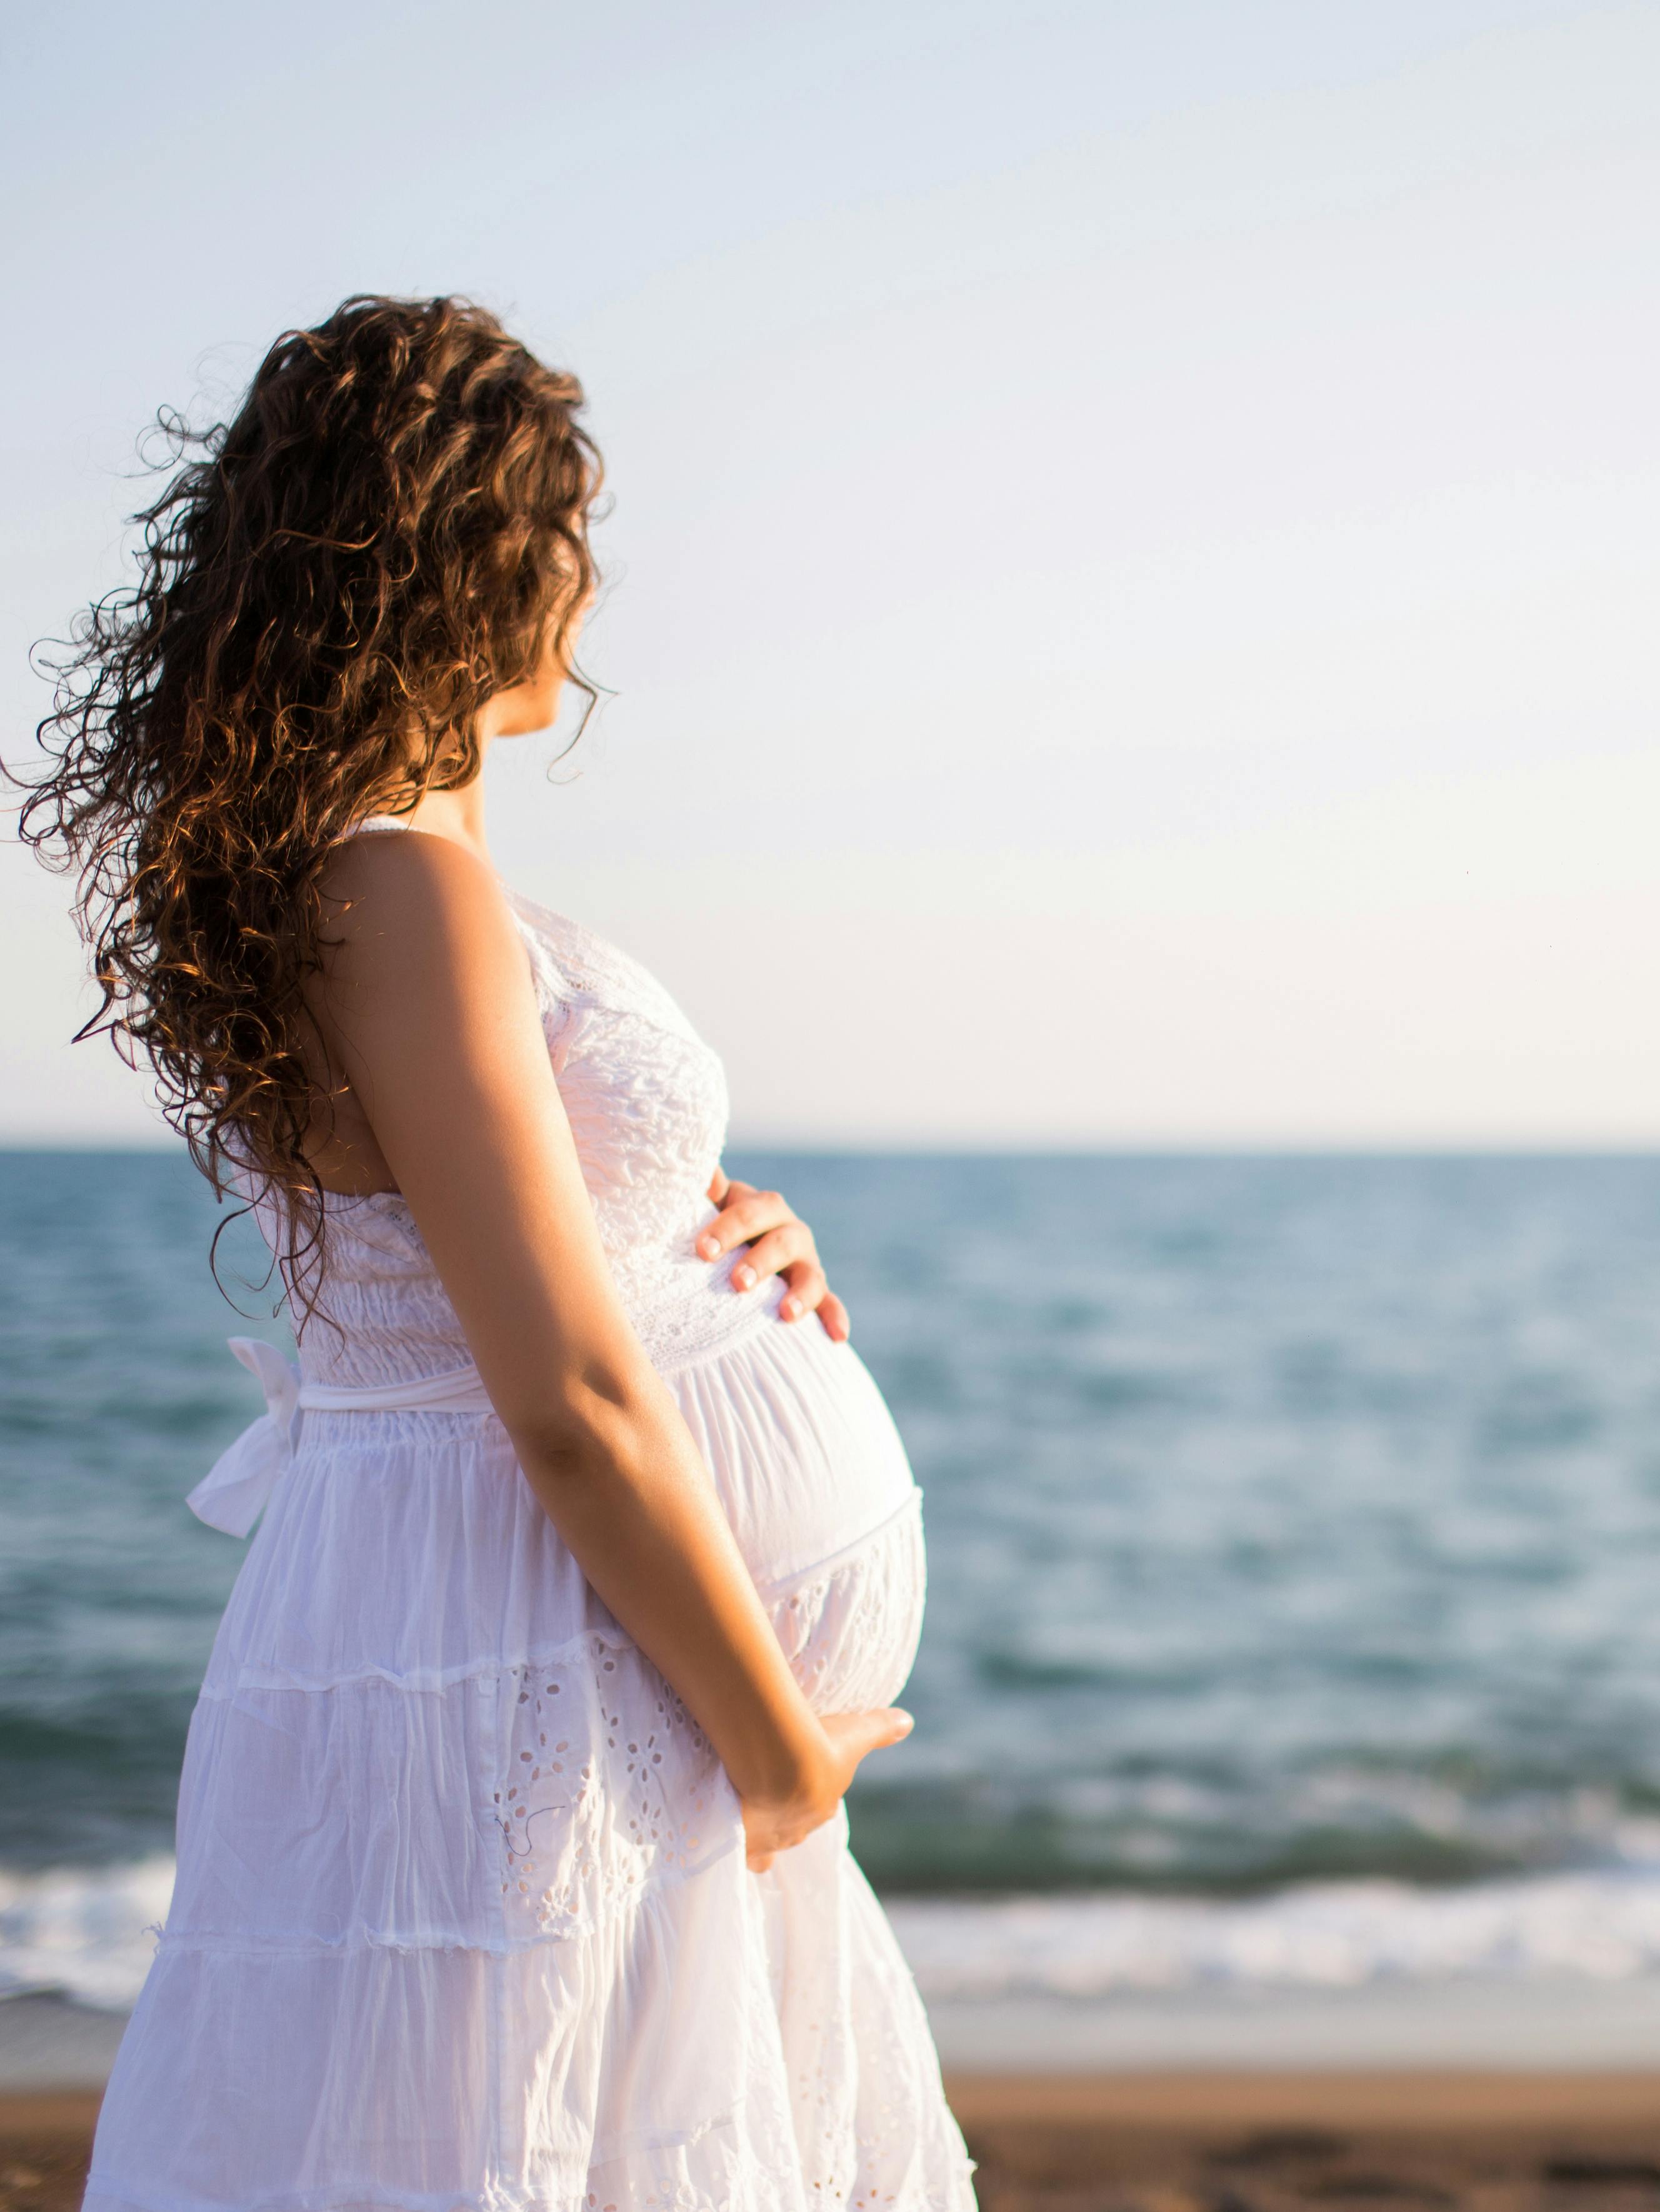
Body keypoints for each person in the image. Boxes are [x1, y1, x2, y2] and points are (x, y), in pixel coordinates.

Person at [16, 296, 977, 2212]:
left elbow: (489, 1239)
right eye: (566, 531)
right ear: (452, 551)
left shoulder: (386, 879)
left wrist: (707, 1219)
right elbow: (566, 1405)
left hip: (506, 1623)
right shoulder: (398, 882)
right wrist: (780, 1754)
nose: (593, 590)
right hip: (523, 1627)